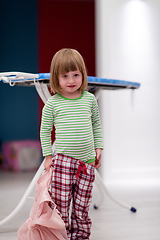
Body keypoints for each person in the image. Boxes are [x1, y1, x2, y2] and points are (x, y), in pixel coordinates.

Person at [40, 48, 103, 240]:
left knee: (82, 208)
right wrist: (48, 156)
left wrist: (98, 148)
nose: (71, 80)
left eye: (76, 74)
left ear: (83, 75)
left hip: (87, 163)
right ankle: (62, 236)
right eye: (65, 76)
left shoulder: (90, 99)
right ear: (56, 78)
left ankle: (81, 237)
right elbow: (44, 131)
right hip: (63, 163)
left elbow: (96, 125)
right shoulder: (53, 103)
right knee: (61, 206)